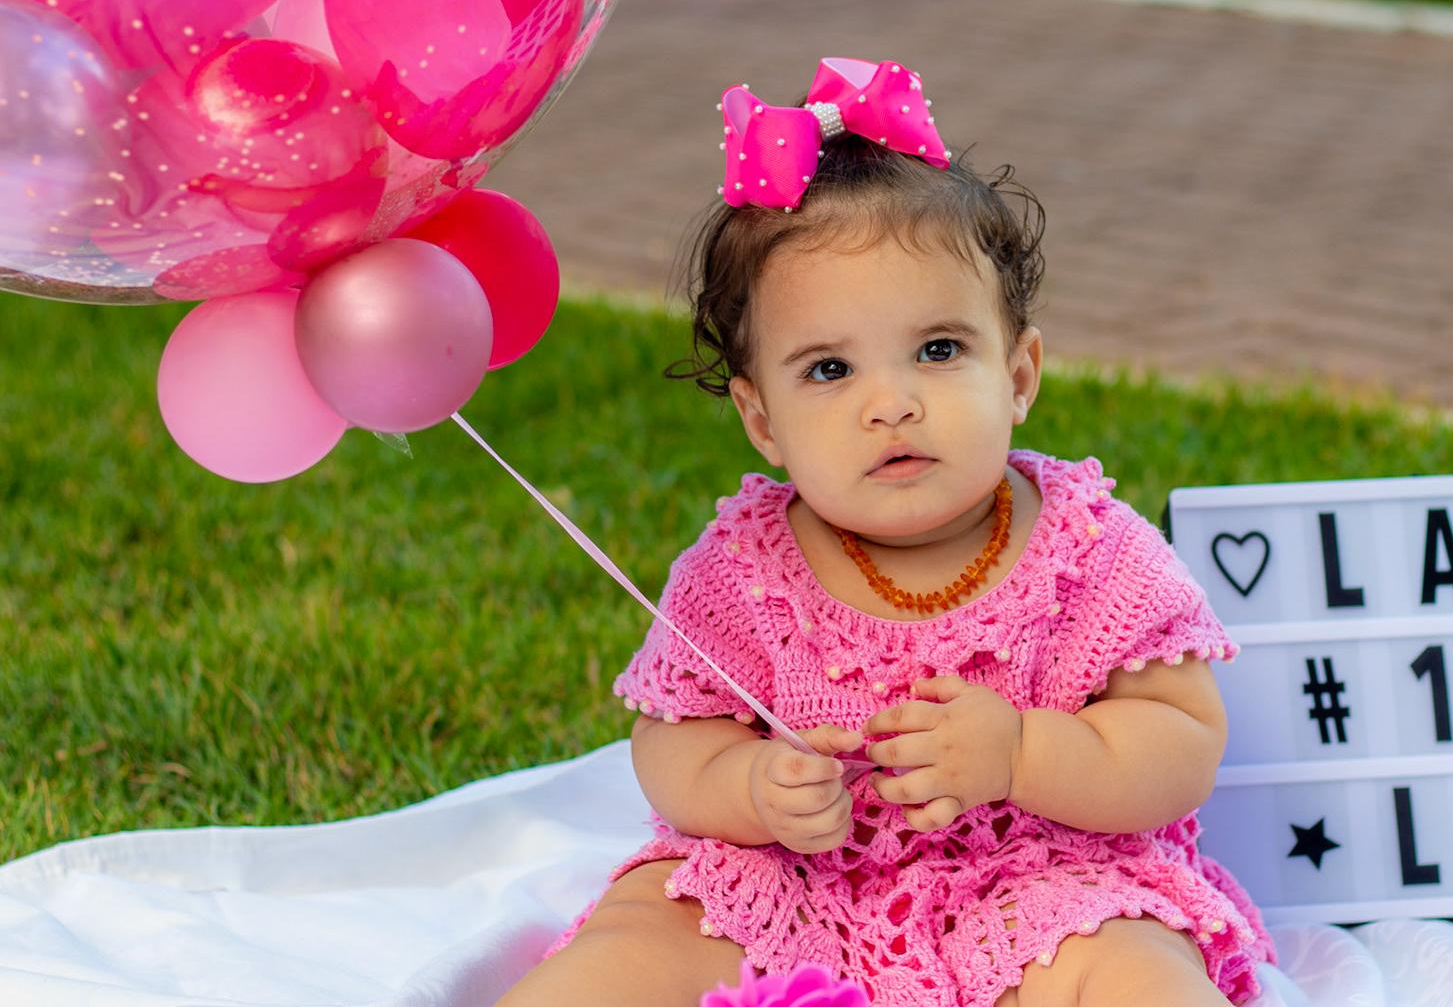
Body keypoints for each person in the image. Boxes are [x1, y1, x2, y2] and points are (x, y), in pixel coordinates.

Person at [497, 60, 1274, 1007]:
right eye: (829, 370)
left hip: (1040, 884)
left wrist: (1021, 754)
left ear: (1019, 376)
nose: (892, 404)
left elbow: (1182, 739)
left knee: (1129, 966)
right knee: (646, 931)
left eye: (938, 350)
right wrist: (750, 786)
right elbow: (674, 738)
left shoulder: (1095, 554)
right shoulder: (743, 570)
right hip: (793, 879)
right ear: (762, 420)